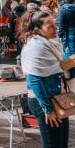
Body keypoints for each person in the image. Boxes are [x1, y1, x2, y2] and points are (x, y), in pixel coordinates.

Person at [19, 11, 69, 148]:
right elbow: (34, 80)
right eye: (50, 26)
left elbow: (56, 66)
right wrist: (48, 109)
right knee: (52, 144)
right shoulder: (35, 46)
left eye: (55, 25)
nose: (55, 29)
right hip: (44, 101)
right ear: (37, 29)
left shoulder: (47, 42)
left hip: (56, 96)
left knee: (62, 142)